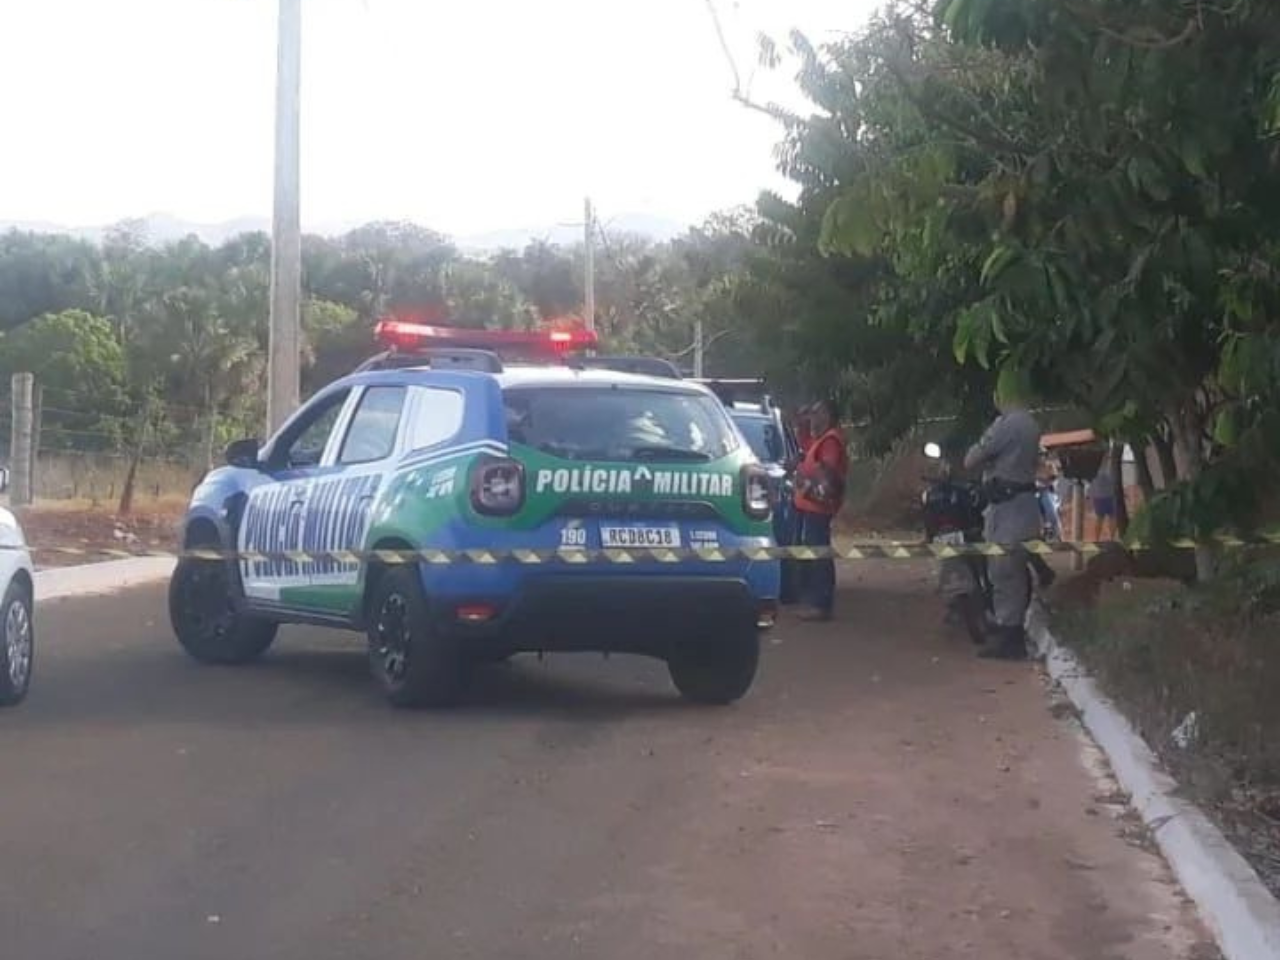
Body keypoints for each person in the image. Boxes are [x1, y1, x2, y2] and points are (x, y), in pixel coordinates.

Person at [964, 368, 1042, 660]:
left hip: (1005, 509)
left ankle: (1010, 637)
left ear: (1000, 395)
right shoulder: (1032, 423)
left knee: (1003, 572)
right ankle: (1012, 631)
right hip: (1024, 506)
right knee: (1015, 572)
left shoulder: (1006, 424)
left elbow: (972, 458)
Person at [792, 398, 848, 621]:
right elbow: (806, 445)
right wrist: (802, 424)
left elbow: (827, 469)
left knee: (819, 554)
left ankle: (821, 604)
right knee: (814, 551)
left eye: (817, 413)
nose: (814, 417)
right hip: (810, 502)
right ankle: (815, 601)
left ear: (829, 415)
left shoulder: (831, 440)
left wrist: (805, 476)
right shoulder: (821, 439)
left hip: (819, 504)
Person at [1088, 458, 1117, 541]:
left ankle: (1097, 539)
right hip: (1108, 495)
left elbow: (1091, 485)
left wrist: (1090, 495)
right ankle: (1111, 538)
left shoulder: (1094, 469)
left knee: (1101, 518)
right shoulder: (1110, 469)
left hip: (1099, 496)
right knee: (1111, 517)